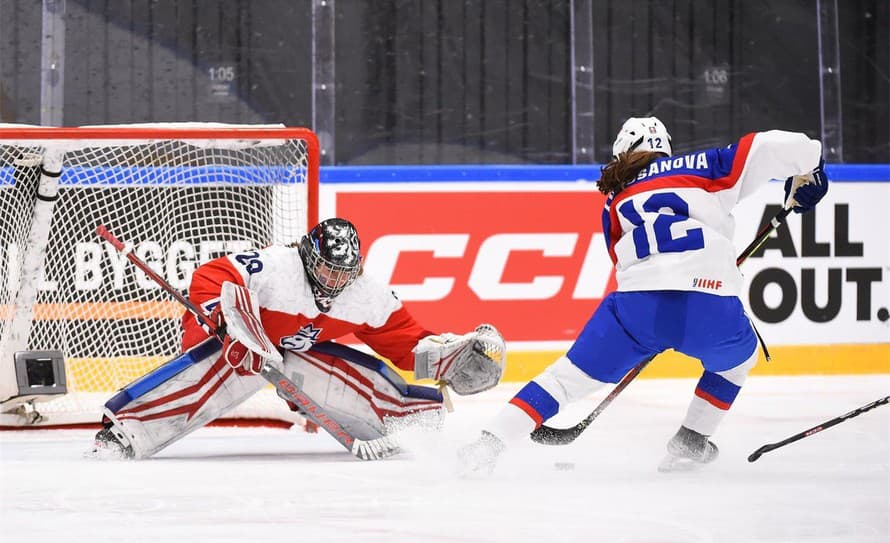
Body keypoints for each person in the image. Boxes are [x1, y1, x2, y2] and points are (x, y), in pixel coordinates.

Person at [459, 116, 829, 473]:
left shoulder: (615, 202)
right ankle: (691, 440)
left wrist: (649, 329)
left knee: (563, 379)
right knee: (736, 362)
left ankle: (486, 447)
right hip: (709, 301)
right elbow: (768, 146)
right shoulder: (706, 166)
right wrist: (810, 168)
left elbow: (623, 263)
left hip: (638, 306)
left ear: (622, 152)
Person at [92, 217, 505, 459]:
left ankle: (410, 420)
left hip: (288, 352)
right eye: (327, 271)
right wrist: (226, 322)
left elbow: (404, 340)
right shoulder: (277, 267)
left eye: (344, 273)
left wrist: (451, 360)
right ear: (309, 256)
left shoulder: (365, 294)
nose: (336, 281)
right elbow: (212, 276)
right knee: (236, 364)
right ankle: (126, 432)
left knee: (339, 372)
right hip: (228, 342)